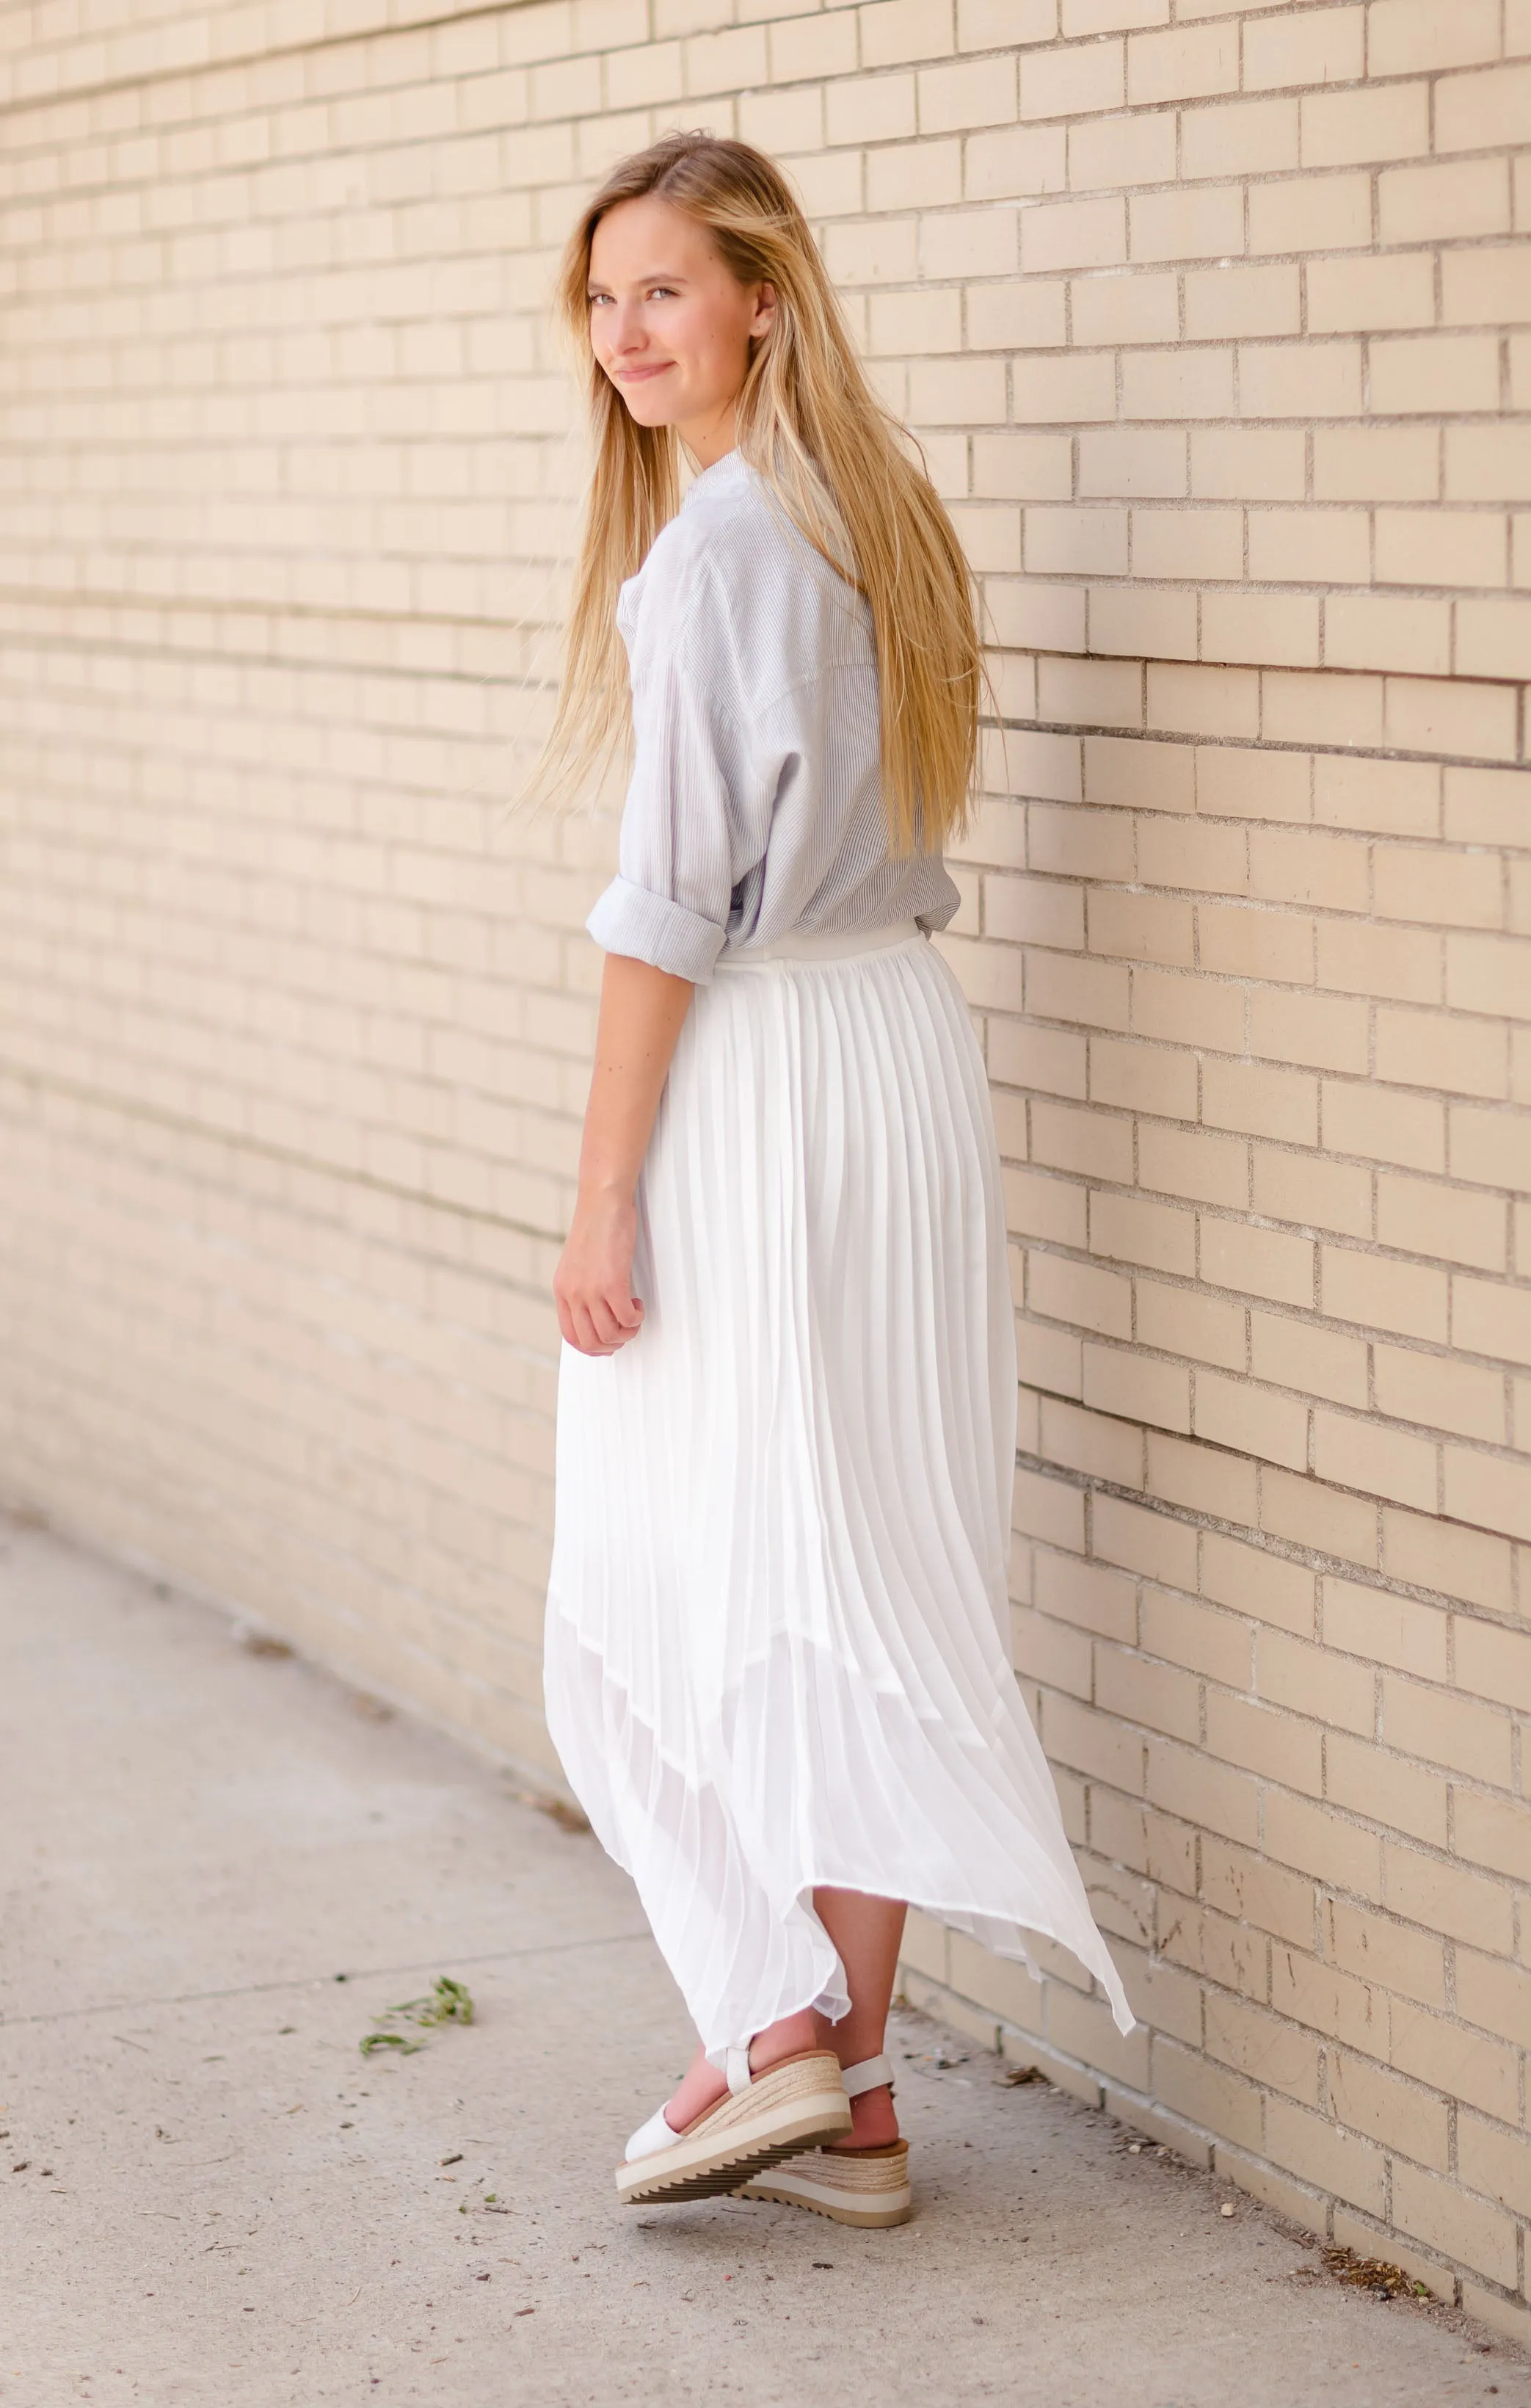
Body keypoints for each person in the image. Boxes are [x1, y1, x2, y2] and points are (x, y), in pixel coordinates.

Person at [539, 131, 1132, 2230]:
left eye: (663, 292)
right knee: (856, 1566)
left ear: (762, 300)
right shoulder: (874, 519)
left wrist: (604, 1193)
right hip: (896, 1050)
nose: (622, 334)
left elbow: (668, 910)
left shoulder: (715, 551)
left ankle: (773, 2030)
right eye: (600, 299)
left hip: (773, 1060)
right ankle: (853, 2092)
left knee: (672, 1572)